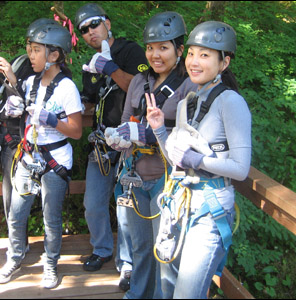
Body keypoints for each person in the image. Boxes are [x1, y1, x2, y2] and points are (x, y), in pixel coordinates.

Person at [145, 21, 252, 298]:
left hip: (210, 209)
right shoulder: (186, 103)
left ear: (224, 63)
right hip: (182, 204)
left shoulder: (231, 102)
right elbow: (176, 161)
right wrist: (159, 129)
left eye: (204, 55)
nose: (194, 61)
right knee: (170, 284)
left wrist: (197, 159)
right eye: (192, 53)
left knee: (186, 294)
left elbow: (240, 169)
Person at [104, 11, 197, 299]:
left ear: (180, 51)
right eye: (150, 48)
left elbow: (189, 136)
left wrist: (152, 136)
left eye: (164, 48)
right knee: (140, 248)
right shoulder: (138, 82)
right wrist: (119, 137)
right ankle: (137, 294)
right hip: (134, 176)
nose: (155, 55)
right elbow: (127, 119)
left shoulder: (188, 86)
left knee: (165, 251)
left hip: (166, 180)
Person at [0, 23, 83, 289]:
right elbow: (21, 104)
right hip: (29, 157)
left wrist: (51, 119)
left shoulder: (67, 88)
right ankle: (14, 257)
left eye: (35, 50)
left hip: (55, 159)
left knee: (51, 218)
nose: (30, 55)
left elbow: (76, 131)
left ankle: (51, 264)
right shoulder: (29, 82)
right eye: (29, 49)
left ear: (53, 55)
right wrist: (14, 105)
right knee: (16, 213)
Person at [0, 18, 56, 261]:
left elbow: (32, 105)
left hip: (17, 138)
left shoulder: (46, 71)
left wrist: (13, 79)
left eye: (36, 46)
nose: (31, 50)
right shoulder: (20, 60)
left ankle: (19, 245)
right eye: (29, 45)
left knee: (12, 195)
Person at [74, 3, 148, 291]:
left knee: (125, 205)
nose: (90, 32)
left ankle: (127, 264)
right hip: (102, 142)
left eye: (93, 24)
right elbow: (91, 98)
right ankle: (102, 249)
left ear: (106, 22)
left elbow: (139, 88)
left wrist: (111, 67)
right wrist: (74, 104)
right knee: (93, 204)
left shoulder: (131, 52)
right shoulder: (92, 62)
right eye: (83, 30)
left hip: (131, 142)